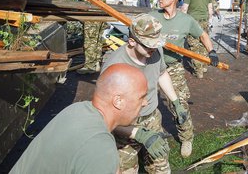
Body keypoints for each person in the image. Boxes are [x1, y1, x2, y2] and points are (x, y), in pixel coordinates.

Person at [10, 64, 148, 173]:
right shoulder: (99, 148)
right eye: (141, 97)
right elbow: (97, 154)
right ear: (118, 101)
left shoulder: (78, 109)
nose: (145, 103)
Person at [102, 13, 186, 174]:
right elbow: (106, 116)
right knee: (126, 170)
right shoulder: (115, 68)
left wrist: (176, 102)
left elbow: (161, 73)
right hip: (125, 127)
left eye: (156, 44)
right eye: (148, 45)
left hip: (152, 118)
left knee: (160, 167)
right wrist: (138, 134)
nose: (153, 48)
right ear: (132, 41)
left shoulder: (154, 50)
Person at [152, 0, 219, 158]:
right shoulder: (152, 17)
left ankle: (186, 137)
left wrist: (212, 51)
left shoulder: (185, 20)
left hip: (173, 67)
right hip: (151, 65)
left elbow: (203, 35)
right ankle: (149, 136)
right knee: (144, 104)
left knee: (179, 105)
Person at [181, 0, 214, 78]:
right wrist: (209, 20)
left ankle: (198, 71)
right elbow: (210, 9)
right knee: (204, 43)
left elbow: (184, 9)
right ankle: (204, 66)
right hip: (204, 21)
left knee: (194, 45)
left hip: (193, 22)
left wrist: (182, 21)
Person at [78, 0, 107, 74]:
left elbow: (83, 3)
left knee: (90, 42)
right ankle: (97, 63)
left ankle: (89, 67)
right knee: (98, 40)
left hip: (91, 17)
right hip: (101, 17)